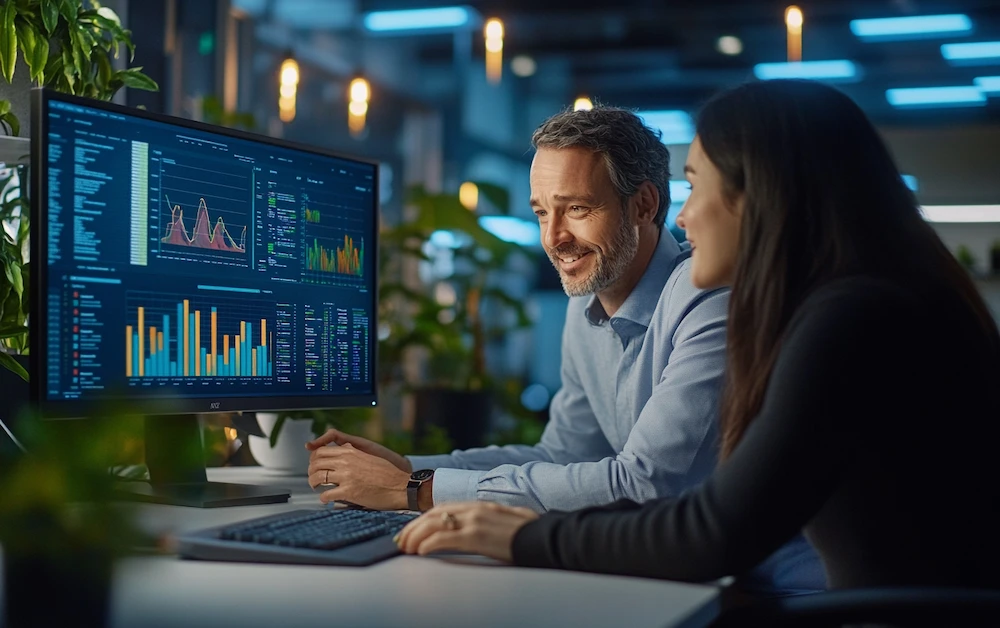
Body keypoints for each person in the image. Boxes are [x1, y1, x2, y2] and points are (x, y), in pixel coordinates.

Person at [393, 79, 1000, 591]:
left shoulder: (851, 322)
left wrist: (517, 533)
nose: (681, 216)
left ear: (762, 196)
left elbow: (711, 532)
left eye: (696, 184)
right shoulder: (864, 304)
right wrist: (414, 475)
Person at [306, 105, 825, 595]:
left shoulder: (710, 298)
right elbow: (565, 455)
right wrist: (407, 465)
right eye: (541, 213)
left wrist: (418, 489)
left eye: (577, 208)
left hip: (773, 594)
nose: (555, 238)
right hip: (681, 580)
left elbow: (644, 484)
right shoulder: (588, 303)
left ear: (644, 204)